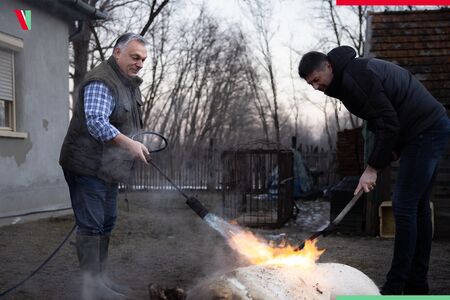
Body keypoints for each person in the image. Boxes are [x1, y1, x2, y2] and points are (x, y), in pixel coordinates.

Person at [298, 46, 450, 295]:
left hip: (424, 130)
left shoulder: (356, 77)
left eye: (316, 80)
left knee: (404, 207)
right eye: (310, 84)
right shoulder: (349, 77)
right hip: (427, 128)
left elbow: (388, 122)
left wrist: (372, 168)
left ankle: (395, 286)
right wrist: (388, 154)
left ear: (328, 66)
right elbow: (381, 122)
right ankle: (416, 284)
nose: (316, 87)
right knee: (418, 208)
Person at [59, 33, 150, 299]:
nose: (140, 63)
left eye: (143, 59)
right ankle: (91, 287)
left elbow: (123, 123)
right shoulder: (102, 81)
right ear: (117, 52)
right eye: (135, 57)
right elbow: (97, 123)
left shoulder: (130, 85)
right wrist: (130, 145)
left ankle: (101, 279)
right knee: (92, 225)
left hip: (108, 168)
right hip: (85, 165)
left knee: (107, 221)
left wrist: (138, 142)